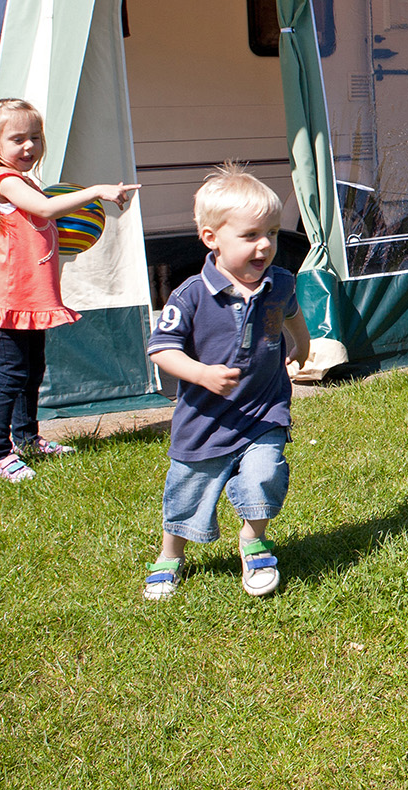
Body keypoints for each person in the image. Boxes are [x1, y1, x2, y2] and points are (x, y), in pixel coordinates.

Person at [143, 164, 309, 601]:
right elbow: (161, 348)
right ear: (211, 238)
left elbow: (291, 312)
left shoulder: (279, 283)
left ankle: (254, 541)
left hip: (264, 411)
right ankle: (170, 555)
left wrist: (302, 344)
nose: (265, 245)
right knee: (188, 489)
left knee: (264, 474)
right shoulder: (191, 295)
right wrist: (201, 373)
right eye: (250, 235)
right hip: (205, 420)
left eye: (271, 233)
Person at [0, 98, 139, 482]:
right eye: (17, 139)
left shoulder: (23, 181)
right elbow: (45, 210)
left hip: (27, 298)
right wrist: (96, 191)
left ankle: (27, 439)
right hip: (4, 297)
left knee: (32, 370)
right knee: (12, 374)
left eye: (35, 137)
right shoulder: (3, 180)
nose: (29, 146)